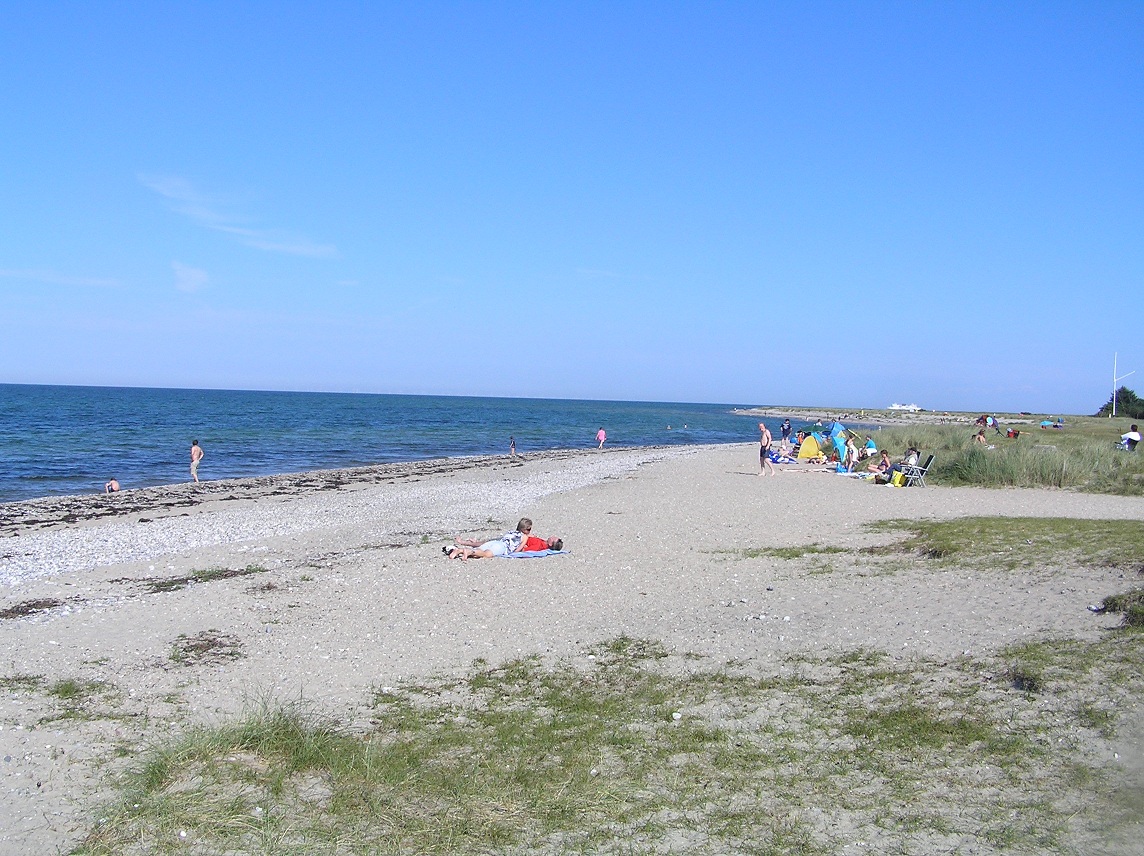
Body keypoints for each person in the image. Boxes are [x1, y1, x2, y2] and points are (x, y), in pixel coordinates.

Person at [446, 518, 530, 560]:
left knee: (478, 554)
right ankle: (467, 551)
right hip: (501, 547)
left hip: (495, 542)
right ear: (523, 529)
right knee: (485, 554)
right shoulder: (525, 537)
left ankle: (460, 550)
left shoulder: (511, 532)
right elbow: (517, 551)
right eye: (528, 529)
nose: (529, 531)